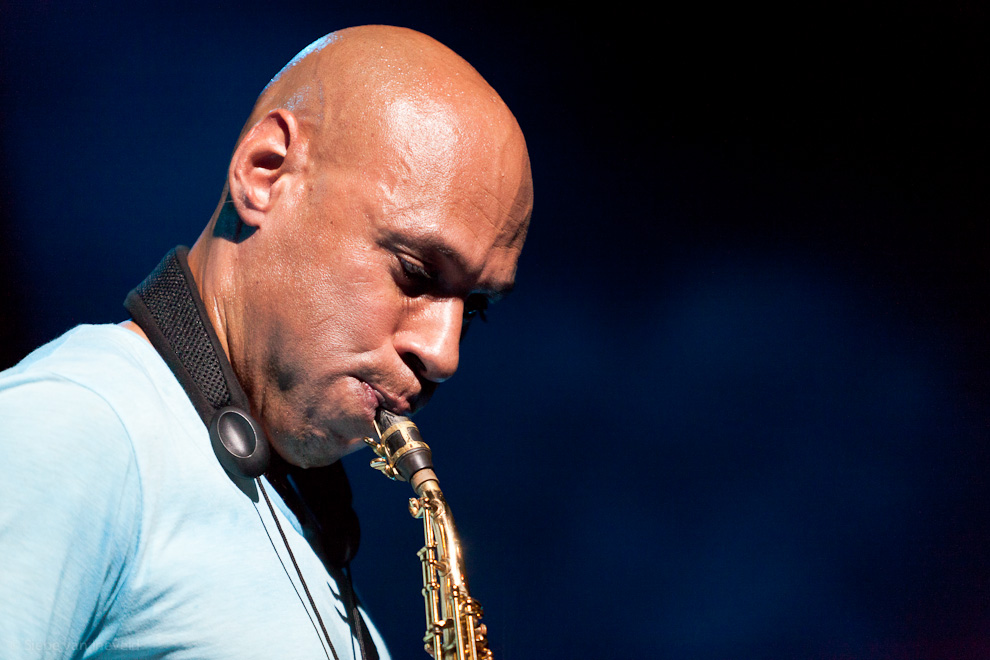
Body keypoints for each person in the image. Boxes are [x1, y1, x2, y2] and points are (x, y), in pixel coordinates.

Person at [0, 24, 533, 660]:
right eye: (416, 273)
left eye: (471, 310)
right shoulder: (83, 426)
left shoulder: (315, 562)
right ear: (266, 172)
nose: (444, 354)